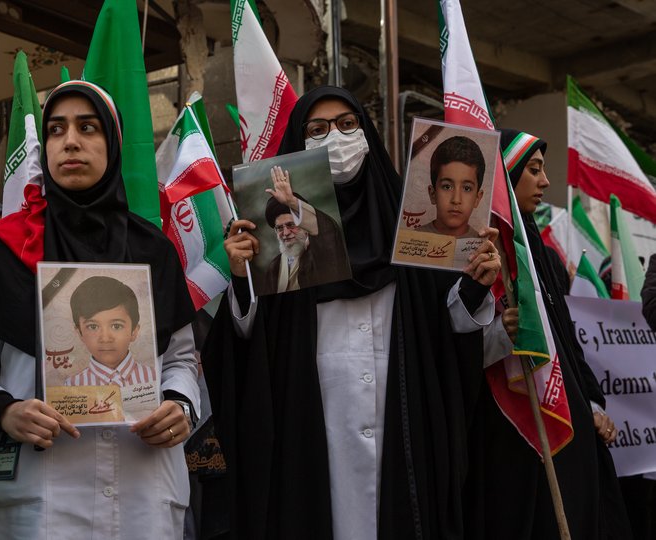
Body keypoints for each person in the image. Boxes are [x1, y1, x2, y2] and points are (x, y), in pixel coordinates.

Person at [201, 86, 502, 540]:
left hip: (402, 431)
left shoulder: (411, 235)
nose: (336, 139)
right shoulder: (283, 240)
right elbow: (249, 345)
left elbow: (446, 335)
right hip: (308, 433)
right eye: (318, 129)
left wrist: (475, 287)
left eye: (347, 125)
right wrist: (243, 275)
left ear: (367, 133)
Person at [0, 80, 199, 539]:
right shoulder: (6, 249)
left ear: (113, 144)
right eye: (56, 130)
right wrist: (3, 411)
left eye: (87, 127)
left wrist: (179, 405)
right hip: (37, 497)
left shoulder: (153, 250)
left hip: (141, 491)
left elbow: (181, 358)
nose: (70, 141)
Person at [469, 128, 632, 540]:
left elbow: (566, 342)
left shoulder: (544, 256)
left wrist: (590, 403)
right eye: (534, 170)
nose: (544, 181)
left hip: (563, 420)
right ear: (507, 176)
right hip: (509, 431)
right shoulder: (480, 251)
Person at [262, 166, 348, 293]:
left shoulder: (320, 254)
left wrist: (292, 202)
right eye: (279, 228)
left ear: (305, 227)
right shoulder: (274, 267)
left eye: (291, 225)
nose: (286, 233)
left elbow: (327, 231)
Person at [64, 275, 155, 387]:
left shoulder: (153, 378)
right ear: (79, 333)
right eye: (93, 327)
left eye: (116, 326)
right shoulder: (72, 385)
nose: (105, 338)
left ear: (134, 331)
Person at [415, 135, 485, 238]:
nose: (456, 200)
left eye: (467, 188)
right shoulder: (411, 241)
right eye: (447, 187)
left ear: (477, 198)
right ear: (432, 194)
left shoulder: (485, 244)